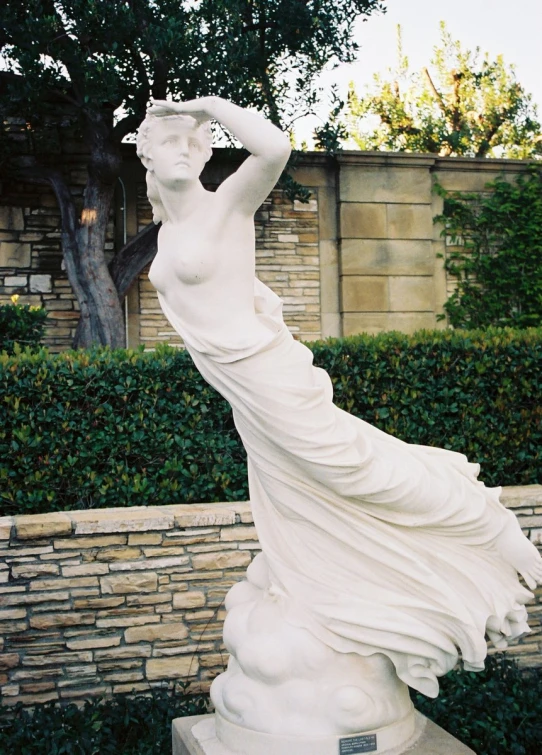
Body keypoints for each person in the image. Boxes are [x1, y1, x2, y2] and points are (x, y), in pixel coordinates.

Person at [137, 96, 542, 697]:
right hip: (244, 395)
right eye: (167, 140)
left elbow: (273, 148)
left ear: (204, 152)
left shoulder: (227, 206)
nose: (183, 150)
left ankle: (481, 519)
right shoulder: (168, 232)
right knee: (297, 493)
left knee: (351, 467)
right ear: (144, 151)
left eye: (192, 142)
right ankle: (325, 594)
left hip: (268, 374)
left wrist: (206, 105)